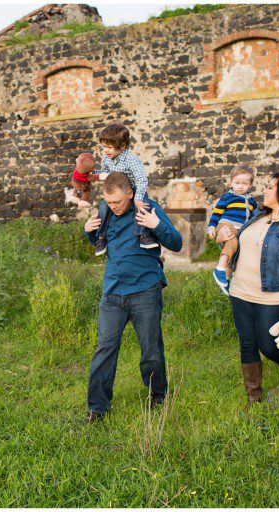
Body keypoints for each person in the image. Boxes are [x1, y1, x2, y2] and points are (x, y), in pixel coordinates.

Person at [82, 172, 183, 424]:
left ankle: (158, 397)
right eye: (109, 202)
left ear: (130, 193)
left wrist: (155, 225)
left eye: (117, 202)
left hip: (145, 290)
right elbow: (100, 242)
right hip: (113, 293)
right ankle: (98, 408)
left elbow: (177, 242)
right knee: (104, 350)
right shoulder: (105, 211)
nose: (113, 207)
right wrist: (87, 231)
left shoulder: (148, 208)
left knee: (150, 350)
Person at [214, 172, 279, 408]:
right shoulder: (255, 216)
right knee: (247, 343)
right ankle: (253, 397)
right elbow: (230, 240)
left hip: (273, 296)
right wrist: (222, 235)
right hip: (240, 291)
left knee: (269, 345)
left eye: (270, 187)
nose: (264, 191)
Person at [92, 123, 159, 256]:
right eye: (104, 146)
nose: (106, 151)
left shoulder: (131, 159)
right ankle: (101, 238)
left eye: (109, 147)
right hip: (117, 189)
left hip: (134, 188)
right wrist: (93, 174)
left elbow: (141, 179)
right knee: (103, 207)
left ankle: (143, 235)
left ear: (122, 146)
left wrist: (138, 198)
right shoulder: (107, 158)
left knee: (142, 206)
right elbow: (104, 172)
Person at [207, 164, 259, 296]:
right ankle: (219, 269)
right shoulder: (227, 197)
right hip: (226, 225)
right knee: (232, 242)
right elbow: (216, 214)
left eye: (244, 183)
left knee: (236, 252)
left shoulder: (252, 202)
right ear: (231, 183)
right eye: (237, 183)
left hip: (239, 230)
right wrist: (211, 227)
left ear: (250, 184)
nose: (240, 186)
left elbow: (253, 219)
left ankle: (227, 279)